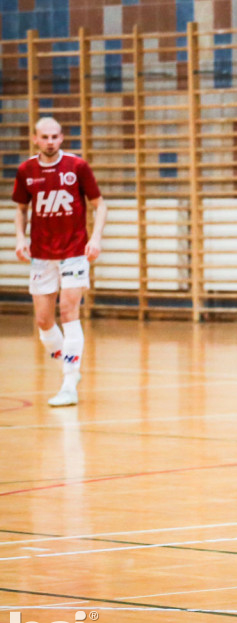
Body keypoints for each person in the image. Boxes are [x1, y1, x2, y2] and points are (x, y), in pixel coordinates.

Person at [12, 117, 107, 407]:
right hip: (42, 254)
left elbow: (99, 204)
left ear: (62, 137)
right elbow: (21, 209)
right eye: (45, 137)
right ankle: (69, 367)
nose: (50, 141)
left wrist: (96, 238)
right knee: (43, 321)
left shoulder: (77, 167)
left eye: (55, 136)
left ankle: (68, 382)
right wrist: (20, 237)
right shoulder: (26, 170)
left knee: (69, 311)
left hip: (74, 251)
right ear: (35, 138)